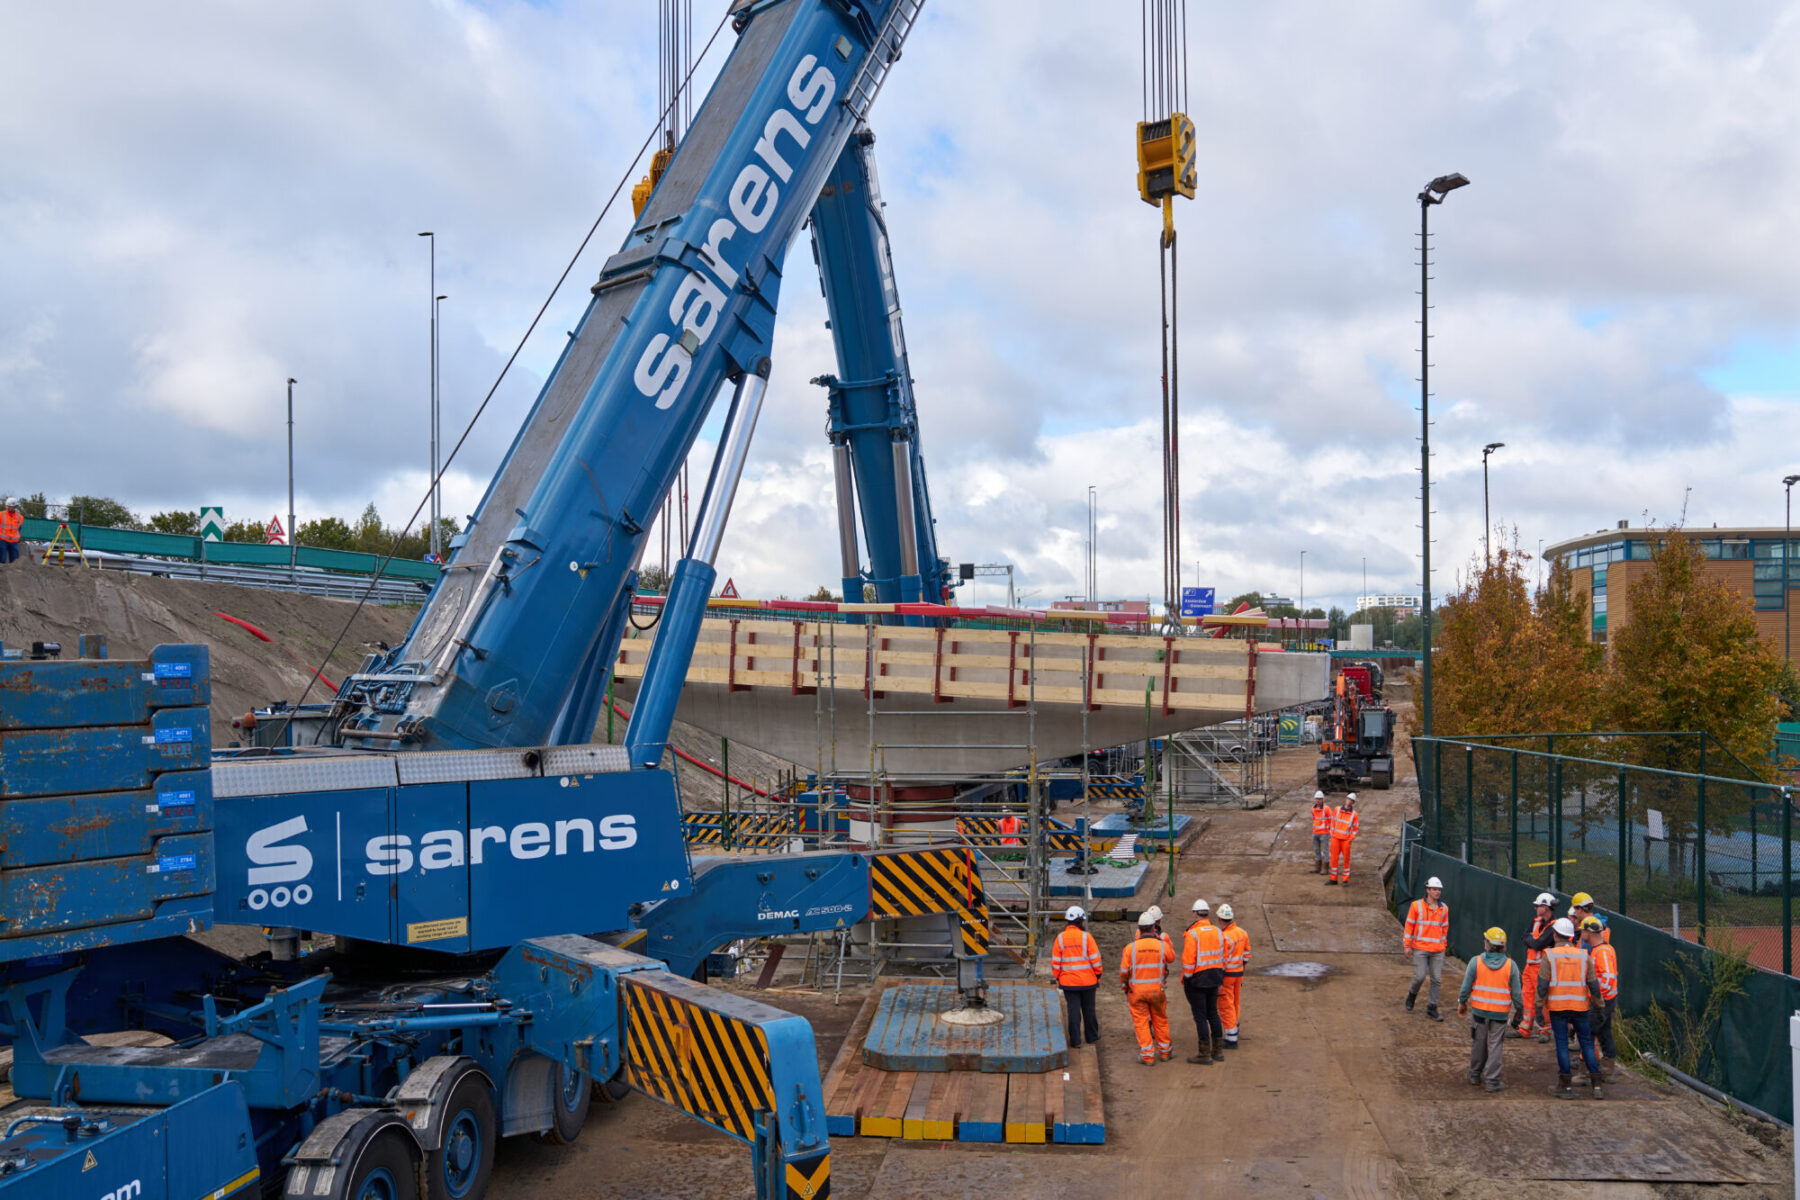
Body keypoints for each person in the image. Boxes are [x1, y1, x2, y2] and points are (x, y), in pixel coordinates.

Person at [1536, 917, 1604, 1100]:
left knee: (1562, 1045)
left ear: (1555, 934)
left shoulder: (1549, 955)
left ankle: (1565, 1087)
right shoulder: (1583, 955)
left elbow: (1542, 986)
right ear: (1571, 936)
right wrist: (1600, 1006)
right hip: (1580, 1007)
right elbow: (1594, 985)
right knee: (1587, 1043)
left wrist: (1538, 1008)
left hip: (1558, 1008)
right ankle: (1597, 1085)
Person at [1457, 926, 1523, 1093]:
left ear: (1487, 944)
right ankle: (1492, 1081)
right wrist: (1520, 1011)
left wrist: (1462, 1003)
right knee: (1495, 1046)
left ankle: (1474, 1074)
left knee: (1478, 1043)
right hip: (1500, 1014)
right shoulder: (1511, 966)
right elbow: (1516, 993)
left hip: (1479, 1012)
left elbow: (1465, 988)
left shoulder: (1475, 962)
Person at [1121, 908, 1176, 1065]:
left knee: (1141, 1023)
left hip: (1137, 992)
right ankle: (1165, 1053)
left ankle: (1147, 1056)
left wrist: (1125, 987)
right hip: (1157, 991)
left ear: (1138, 929)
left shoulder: (1130, 948)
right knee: (1160, 1019)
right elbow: (1171, 958)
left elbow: (1124, 972)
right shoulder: (1162, 945)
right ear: (1153, 927)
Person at [1180, 899, 1226, 1065]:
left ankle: (1204, 1054)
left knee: (1200, 1017)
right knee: (1213, 1013)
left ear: (1195, 913)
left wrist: (1187, 978)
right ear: (1207, 913)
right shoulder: (1218, 932)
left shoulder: (1193, 934)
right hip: (1215, 977)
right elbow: (1223, 955)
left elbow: (1188, 960)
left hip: (1197, 979)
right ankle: (1218, 1051)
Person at [1050, 905, 1103, 1048]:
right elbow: (1096, 960)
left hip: (1068, 983)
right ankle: (1092, 1036)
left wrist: (1058, 977)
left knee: (1073, 1011)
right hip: (1088, 982)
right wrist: (1098, 975)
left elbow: (1055, 962)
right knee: (1089, 1009)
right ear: (1080, 921)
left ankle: (1076, 1040)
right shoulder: (1087, 937)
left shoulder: (1060, 939)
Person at [1403, 876, 1449, 1021]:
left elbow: (1445, 928)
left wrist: (1443, 946)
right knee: (1420, 976)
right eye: (1434, 889)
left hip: (1437, 950)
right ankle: (1412, 994)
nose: (1437, 892)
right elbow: (1409, 925)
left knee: (1437, 979)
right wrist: (1407, 945)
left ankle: (1432, 1007)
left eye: (1439, 890)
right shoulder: (1416, 906)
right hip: (1420, 948)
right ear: (1428, 890)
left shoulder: (1444, 908)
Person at [1515, 892, 1557, 1043]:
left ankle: (1545, 1030)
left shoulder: (1553, 926)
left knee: (1543, 999)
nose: (1536, 908)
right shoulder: (1536, 922)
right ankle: (1525, 1028)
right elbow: (1525, 937)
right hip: (1530, 965)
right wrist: (1533, 941)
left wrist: (1532, 941)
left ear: (1545, 907)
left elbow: (1537, 943)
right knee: (1527, 996)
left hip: (1542, 968)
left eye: (1538, 906)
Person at [1583, 915, 1620, 1077]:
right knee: (1604, 1032)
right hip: (1606, 1000)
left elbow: (1608, 977)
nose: (1581, 934)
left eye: (1583, 931)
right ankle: (1607, 1068)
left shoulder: (1602, 951)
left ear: (1589, 933)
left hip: (1602, 1001)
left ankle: (1587, 1071)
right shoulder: (1602, 949)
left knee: (1588, 1034)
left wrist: (1597, 996)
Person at [1218, 903, 1251, 1048]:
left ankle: (1231, 1038)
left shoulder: (1224, 937)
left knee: (1226, 1004)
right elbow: (1247, 954)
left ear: (1220, 918)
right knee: (1235, 1001)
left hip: (1227, 975)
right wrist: (1241, 966)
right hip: (1239, 973)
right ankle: (1235, 1027)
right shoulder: (1242, 932)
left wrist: (1219, 974)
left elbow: (1223, 960)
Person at [1327, 793, 1360, 884]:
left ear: (1353, 802)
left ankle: (1345, 880)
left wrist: (1350, 838)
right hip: (1335, 838)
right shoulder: (1337, 810)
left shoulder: (1354, 814)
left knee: (1346, 859)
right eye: (1348, 799)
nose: (1349, 801)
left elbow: (1355, 828)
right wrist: (1332, 833)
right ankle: (1333, 879)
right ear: (1346, 799)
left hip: (1345, 840)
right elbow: (1333, 822)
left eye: (1351, 800)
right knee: (1334, 859)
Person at [1310, 791, 1331, 874]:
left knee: (1325, 850)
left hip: (1324, 833)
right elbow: (1314, 818)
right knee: (1316, 850)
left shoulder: (1326, 809)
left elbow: (1331, 820)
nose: (1318, 801)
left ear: (1322, 800)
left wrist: (1329, 831)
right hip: (1315, 832)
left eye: (1320, 799)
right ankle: (1317, 866)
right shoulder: (1313, 808)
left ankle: (1325, 868)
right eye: (1317, 799)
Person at [0, 498, 22, 566]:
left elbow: (19, 529)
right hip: (2, 540)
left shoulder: (20, 517)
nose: (8, 507)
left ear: (15, 507)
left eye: (10, 506)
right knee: (1, 560)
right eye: (7, 506)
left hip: (13, 541)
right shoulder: (1, 515)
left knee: (15, 562)